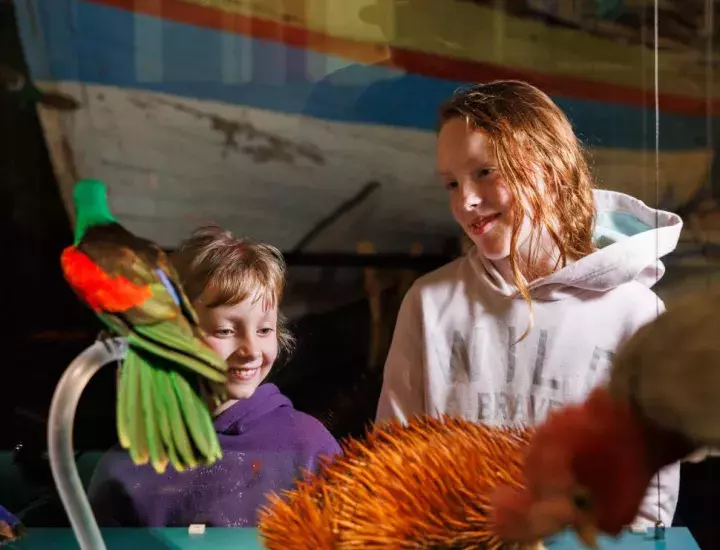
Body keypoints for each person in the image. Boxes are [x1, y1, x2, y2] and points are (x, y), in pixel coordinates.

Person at [375, 80, 682, 531]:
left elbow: (647, 506)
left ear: (549, 166)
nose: (466, 201)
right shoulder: (428, 302)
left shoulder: (638, 315)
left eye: (484, 172)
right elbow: (390, 468)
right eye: (451, 183)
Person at [88, 225, 341, 527]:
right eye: (225, 330)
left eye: (264, 330)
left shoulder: (307, 446)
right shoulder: (129, 464)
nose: (251, 350)